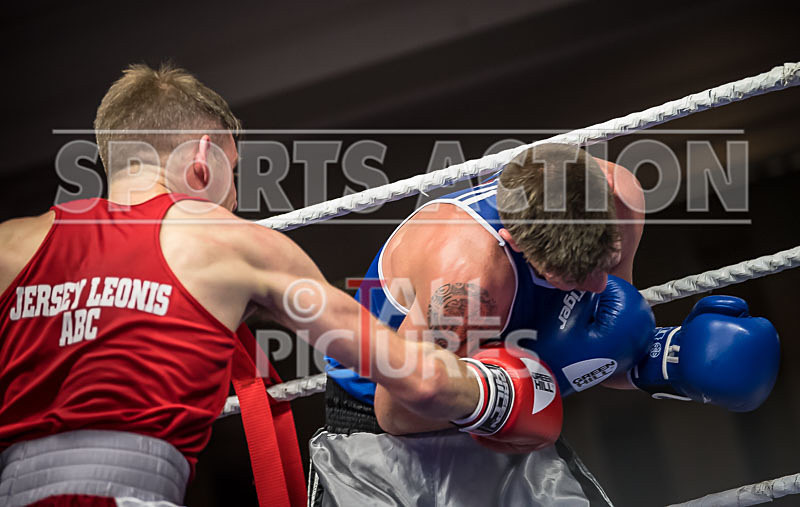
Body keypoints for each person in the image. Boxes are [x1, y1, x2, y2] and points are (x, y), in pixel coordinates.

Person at [0, 64, 558, 507]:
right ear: (202, 157)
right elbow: (412, 378)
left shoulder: (10, 245)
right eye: (235, 171)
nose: (235, 197)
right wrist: (505, 391)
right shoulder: (234, 244)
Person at [312, 143, 780, 506]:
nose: (599, 286)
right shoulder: (465, 287)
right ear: (515, 243)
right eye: (575, 277)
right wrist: (529, 386)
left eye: (607, 261)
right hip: (383, 421)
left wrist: (660, 359)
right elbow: (396, 413)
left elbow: (594, 343)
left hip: (502, 390)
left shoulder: (620, 197)